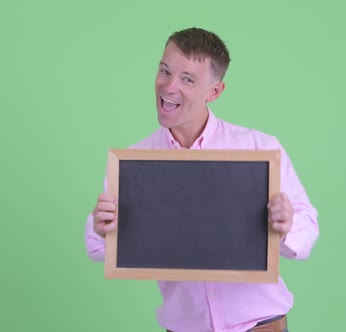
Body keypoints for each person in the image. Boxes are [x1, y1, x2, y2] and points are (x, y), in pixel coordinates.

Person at [85, 27, 319, 332]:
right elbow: (99, 249)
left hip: (261, 326)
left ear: (214, 92)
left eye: (187, 79)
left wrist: (286, 226)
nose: (169, 86)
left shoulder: (259, 149)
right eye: (164, 70)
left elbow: (306, 230)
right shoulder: (134, 162)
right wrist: (101, 228)